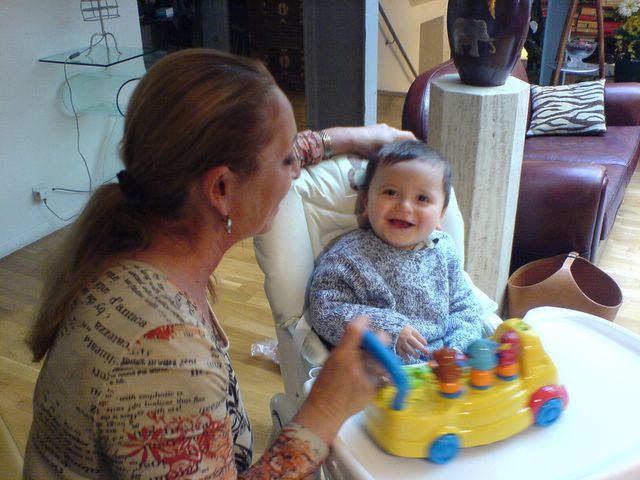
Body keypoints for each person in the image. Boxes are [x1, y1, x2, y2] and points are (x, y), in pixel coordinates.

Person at [23, 48, 414, 479]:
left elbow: (254, 160)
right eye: (286, 160)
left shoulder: (138, 239)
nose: (295, 172)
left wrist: (350, 137)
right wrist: (327, 406)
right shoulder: (163, 354)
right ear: (222, 189)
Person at [308, 140, 484, 364]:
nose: (405, 206)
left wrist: (456, 350)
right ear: (366, 202)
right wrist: (388, 328)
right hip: (382, 372)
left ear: (441, 214)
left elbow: (463, 306)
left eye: (422, 198)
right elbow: (325, 310)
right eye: (391, 192)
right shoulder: (348, 258)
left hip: (445, 368)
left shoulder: (444, 250)